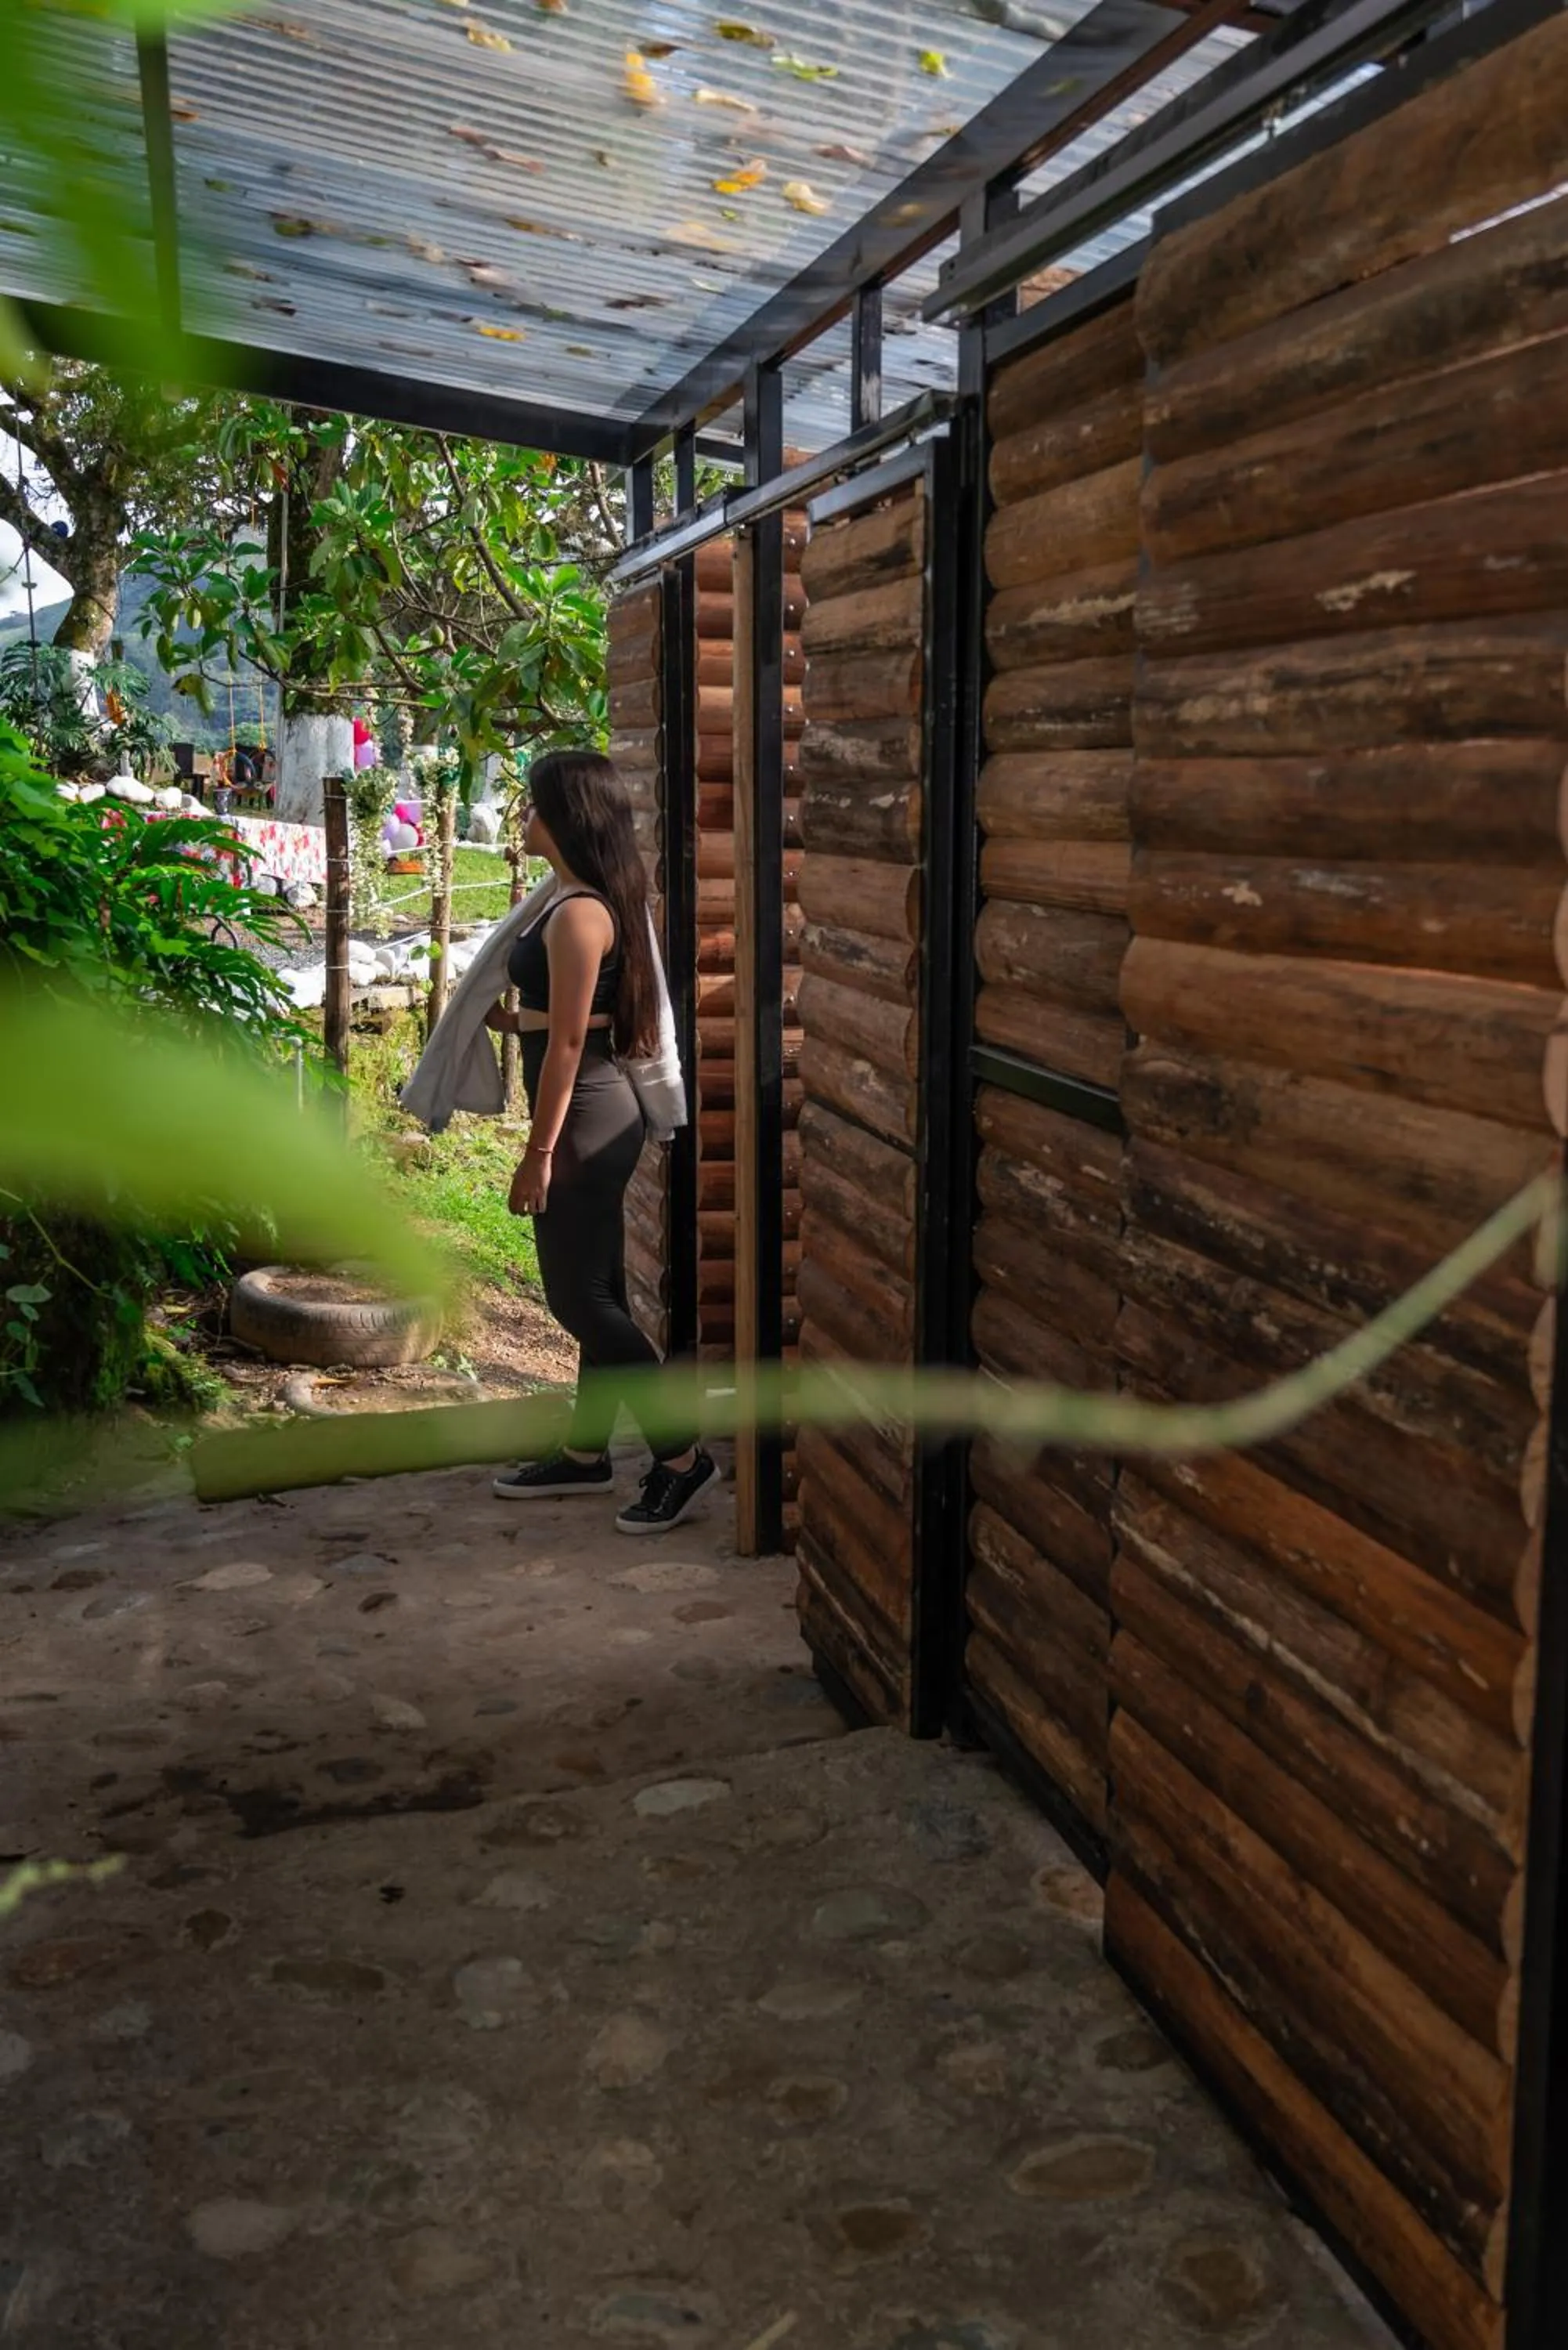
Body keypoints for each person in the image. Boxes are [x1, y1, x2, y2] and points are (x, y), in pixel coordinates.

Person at [483, 750, 719, 1535]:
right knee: (602, 1294)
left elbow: (567, 1054)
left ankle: (682, 1459)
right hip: (590, 1109)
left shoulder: (581, 912)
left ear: (566, 818)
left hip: (585, 1122)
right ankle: (586, 1457)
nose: (523, 819)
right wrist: (520, 1019)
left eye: (531, 806)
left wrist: (537, 1153)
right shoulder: (574, 901)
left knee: (576, 1299)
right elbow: (578, 1020)